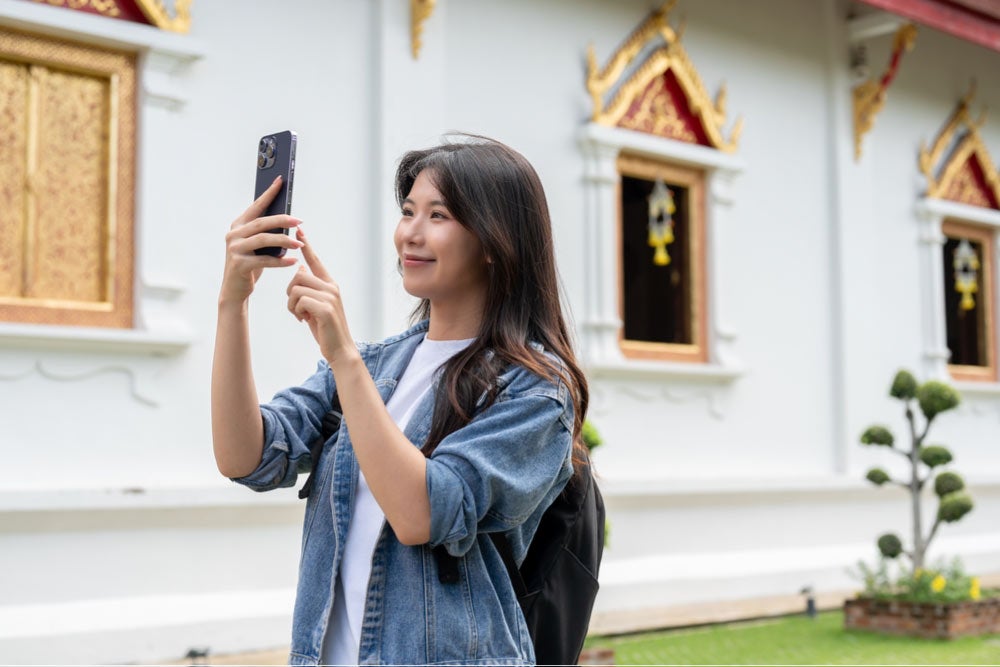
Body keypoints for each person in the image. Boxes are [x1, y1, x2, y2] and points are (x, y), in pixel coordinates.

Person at [211, 136, 589, 666]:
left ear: (494, 240)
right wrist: (234, 301)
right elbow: (244, 456)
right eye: (408, 210)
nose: (411, 232)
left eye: (439, 215)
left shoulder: (535, 390)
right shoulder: (378, 365)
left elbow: (422, 513)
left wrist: (343, 358)